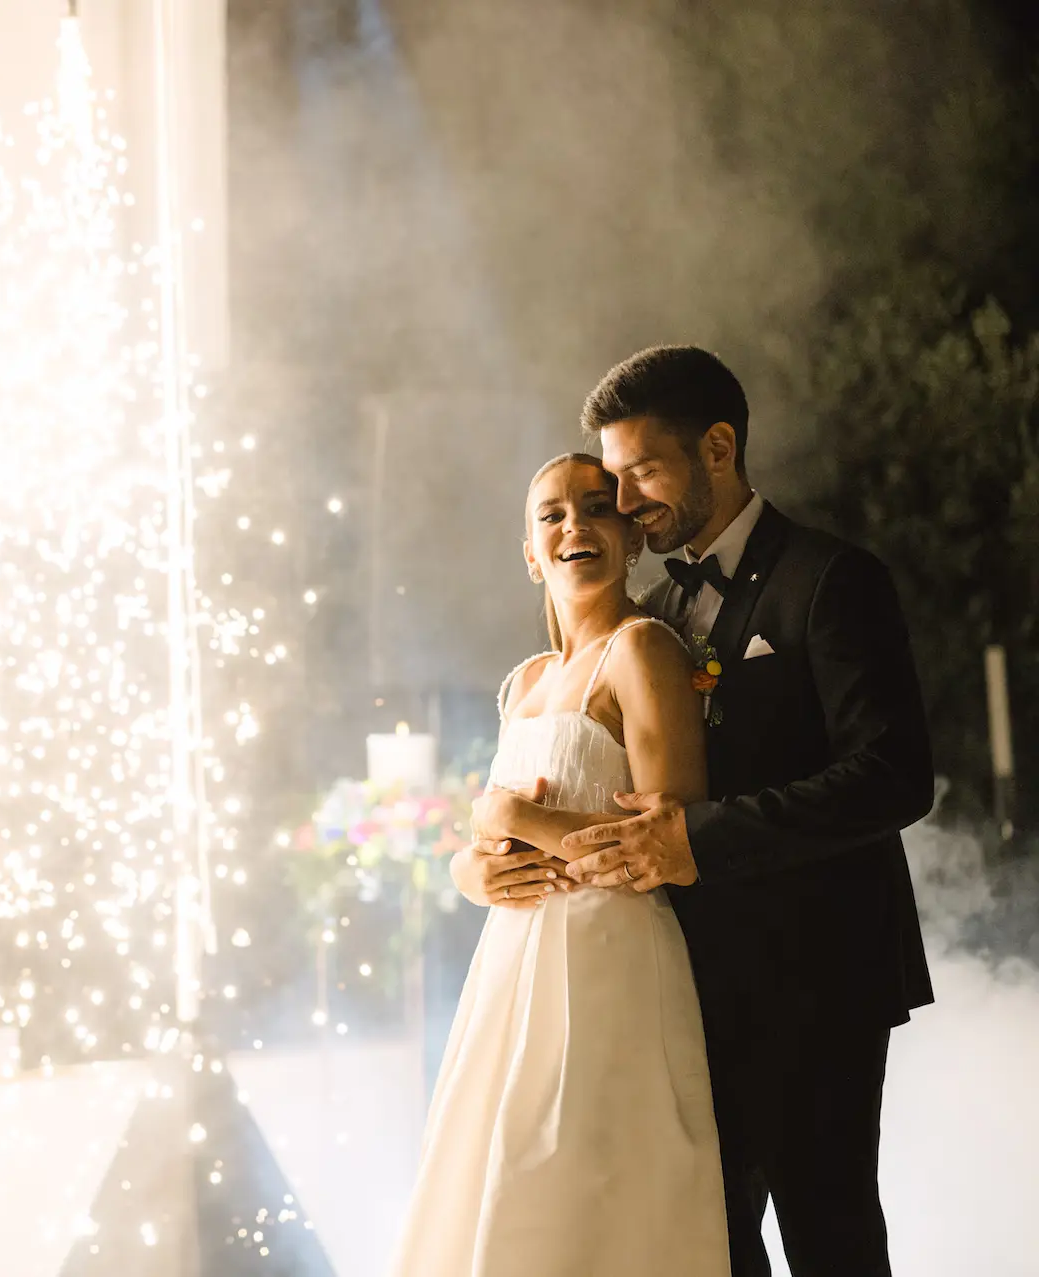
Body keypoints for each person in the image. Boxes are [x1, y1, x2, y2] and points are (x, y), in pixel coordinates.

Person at [552, 345, 934, 1277]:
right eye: (616, 476)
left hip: (820, 973)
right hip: (689, 982)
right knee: (704, 1237)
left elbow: (895, 774)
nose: (627, 500)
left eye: (642, 470)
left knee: (828, 1233)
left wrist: (695, 837)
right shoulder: (652, 606)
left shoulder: (832, 579)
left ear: (718, 447)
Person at [391, 452, 729, 1277]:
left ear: (629, 537)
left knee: (593, 1194)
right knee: (501, 1194)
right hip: (512, 971)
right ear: (530, 551)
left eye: (597, 507)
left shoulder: (641, 649)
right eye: (552, 514)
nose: (575, 524)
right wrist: (471, 867)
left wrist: (517, 817)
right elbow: (495, 841)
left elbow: (671, 844)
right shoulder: (526, 682)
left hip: (608, 964)